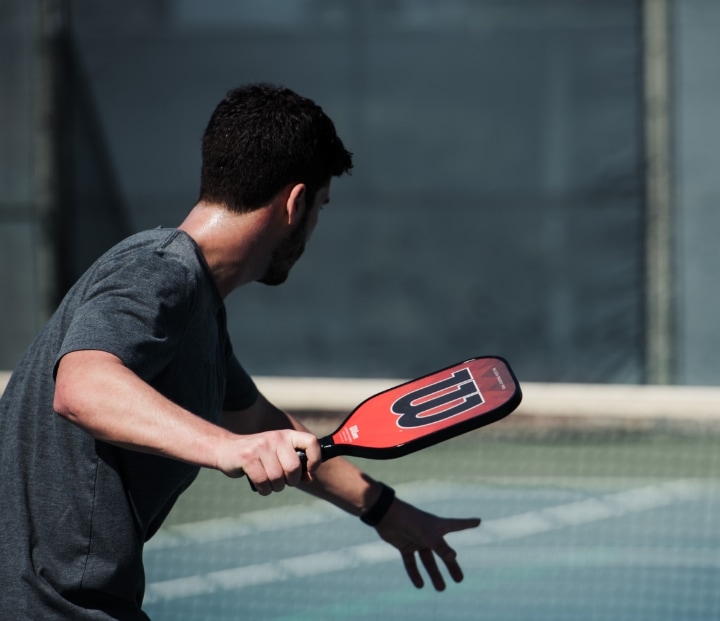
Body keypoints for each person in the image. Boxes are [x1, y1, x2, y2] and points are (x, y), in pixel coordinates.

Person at [0, 83, 481, 619]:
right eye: (321, 206)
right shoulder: (159, 272)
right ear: (295, 204)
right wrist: (223, 447)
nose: (316, 223)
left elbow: (257, 420)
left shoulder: (198, 306)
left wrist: (382, 509)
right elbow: (83, 385)